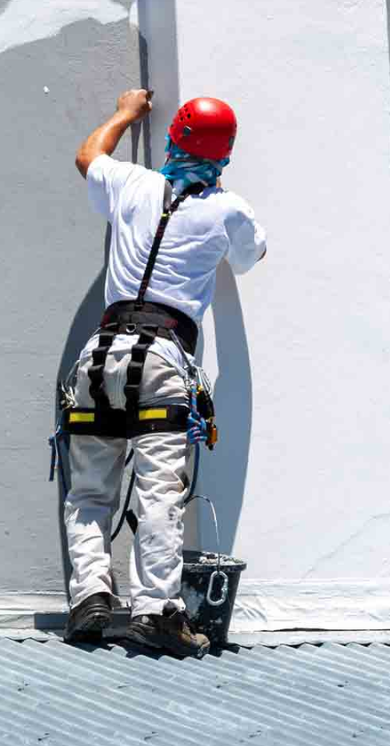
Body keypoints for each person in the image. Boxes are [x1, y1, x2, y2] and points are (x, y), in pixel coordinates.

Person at [61, 89, 266, 657]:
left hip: (100, 354)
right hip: (163, 358)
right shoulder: (228, 210)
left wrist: (126, 112)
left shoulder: (133, 184)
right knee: (158, 490)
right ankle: (155, 610)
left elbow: (87, 156)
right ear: (225, 154)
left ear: (173, 138)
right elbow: (252, 257)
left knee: (89, 490)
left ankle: (90, 600)